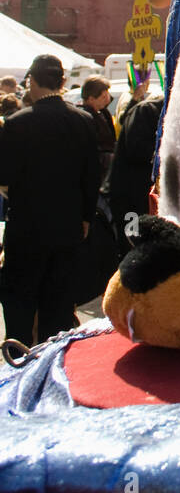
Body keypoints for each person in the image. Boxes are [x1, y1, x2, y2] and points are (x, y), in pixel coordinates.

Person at [0, 54, 100, 345]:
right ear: (62, 82)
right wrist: (85, 218)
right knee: (57, 307)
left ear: (32, 81)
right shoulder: (83, 120)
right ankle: (50, 367)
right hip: (67, 227)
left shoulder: (17, 123)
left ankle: (19, 362)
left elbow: (4, 174)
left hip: (26, 227)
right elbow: (92, 175)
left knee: (20, 302)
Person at [108, 92, 164, 250]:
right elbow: (137, 150)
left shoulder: (149, 111)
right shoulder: (146, 111)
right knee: (132, 243)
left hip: (142, 196)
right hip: (132, 197)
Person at [78, 75, 117, 187]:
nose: (107, 99)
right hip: (97, 171)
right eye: (103, 97)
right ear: (91, 99)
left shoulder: (103, 112)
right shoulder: (86, 117)